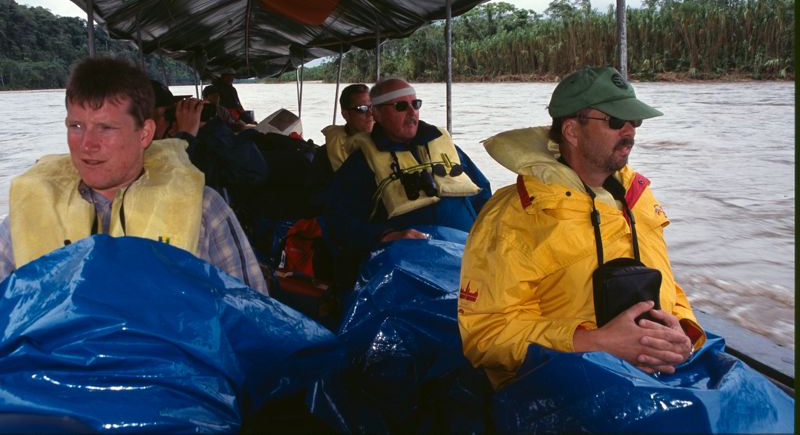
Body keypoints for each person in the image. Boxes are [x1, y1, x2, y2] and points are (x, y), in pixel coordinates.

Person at [457, 66, 705, 389]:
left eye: (635, 121)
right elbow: (486, 335)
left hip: (659, 380)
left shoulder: (638, 198)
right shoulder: (514, 217)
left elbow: (669, 287)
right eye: (616, 121)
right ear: (572, 131)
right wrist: (593, 342)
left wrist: (683, 331)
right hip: (564, 392)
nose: (630, 131)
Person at [0, 57, 268, 295]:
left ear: (145, 133)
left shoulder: (206, 210)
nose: (86, 144)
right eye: (77, 126)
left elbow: (255, 319)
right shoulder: (28, 213)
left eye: (106, 128)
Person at [324, 78, 491, 283]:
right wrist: (383, 236)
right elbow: (336, 221)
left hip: (469, 257)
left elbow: (483, 194)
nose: (412, 113)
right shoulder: (361, 164)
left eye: (416, 104)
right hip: (412, 270)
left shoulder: (446, 148)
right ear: (376, 113)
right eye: (401, 106)